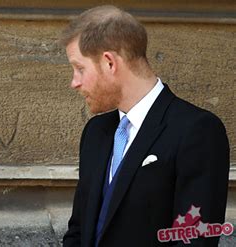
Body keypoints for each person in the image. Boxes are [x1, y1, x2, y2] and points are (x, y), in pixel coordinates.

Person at [60, 5, 230, 247]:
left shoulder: (197, 131)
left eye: (79, 68)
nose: (74, 83)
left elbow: (194, 241)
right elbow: (78, 230)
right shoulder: (95, 132)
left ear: (109, 63)